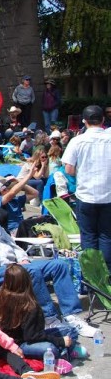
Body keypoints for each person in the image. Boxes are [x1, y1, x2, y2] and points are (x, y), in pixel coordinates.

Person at [0, 195, 97, 337]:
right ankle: (49, 318)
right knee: (31, 271)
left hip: (16, 264)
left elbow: (12, 244)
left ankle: (71, 316)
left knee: (59, 265)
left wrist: (22, 257)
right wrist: (9, 262)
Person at [0, 263, 86, 366]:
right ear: (27, 281)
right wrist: (59, 341)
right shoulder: (30, 305)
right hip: (22, 344)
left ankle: (64, 352)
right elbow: (32, 337)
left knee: (70, 330)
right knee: (51, 348)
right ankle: (63, 354)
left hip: (7, 340)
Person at [62, 104, 111, 274]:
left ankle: (92, 275)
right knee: (106, 235)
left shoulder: (77, 140)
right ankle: (107, 273)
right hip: (108, 195)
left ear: (84, 121)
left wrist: (82, 172)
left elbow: (68, 169)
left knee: (89, 236)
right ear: (103, 120)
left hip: (86, 195)